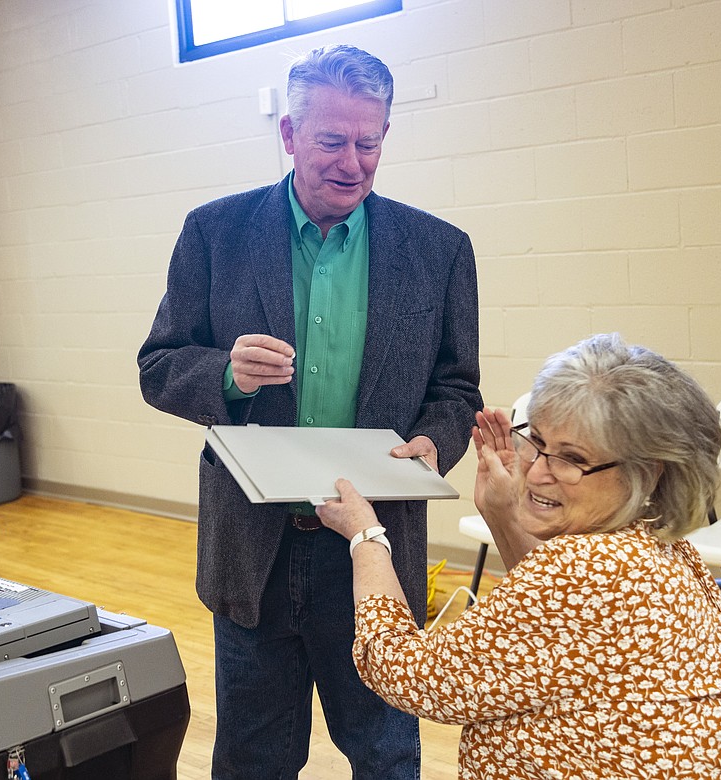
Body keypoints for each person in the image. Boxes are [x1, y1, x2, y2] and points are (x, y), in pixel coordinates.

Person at [138, 44, 481, 778]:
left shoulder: (441, 251)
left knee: (386, 754)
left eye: (370, 141)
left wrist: (435, 439)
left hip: (373, 548)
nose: (352, 162)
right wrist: (225, 373)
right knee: (253, 758)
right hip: (253, 550)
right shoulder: (214, 233)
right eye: (331, 141)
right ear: (289, 135)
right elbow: (158, 367)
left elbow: (457, 389)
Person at [316, 333, 721, 780]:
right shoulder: (659, 546)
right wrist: (504, 514)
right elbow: (549, 626)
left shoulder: (587, 569)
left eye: (571, 459)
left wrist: (366, 535)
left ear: (647, 471)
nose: (538, 471)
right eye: (538, 442)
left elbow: (405, 673)